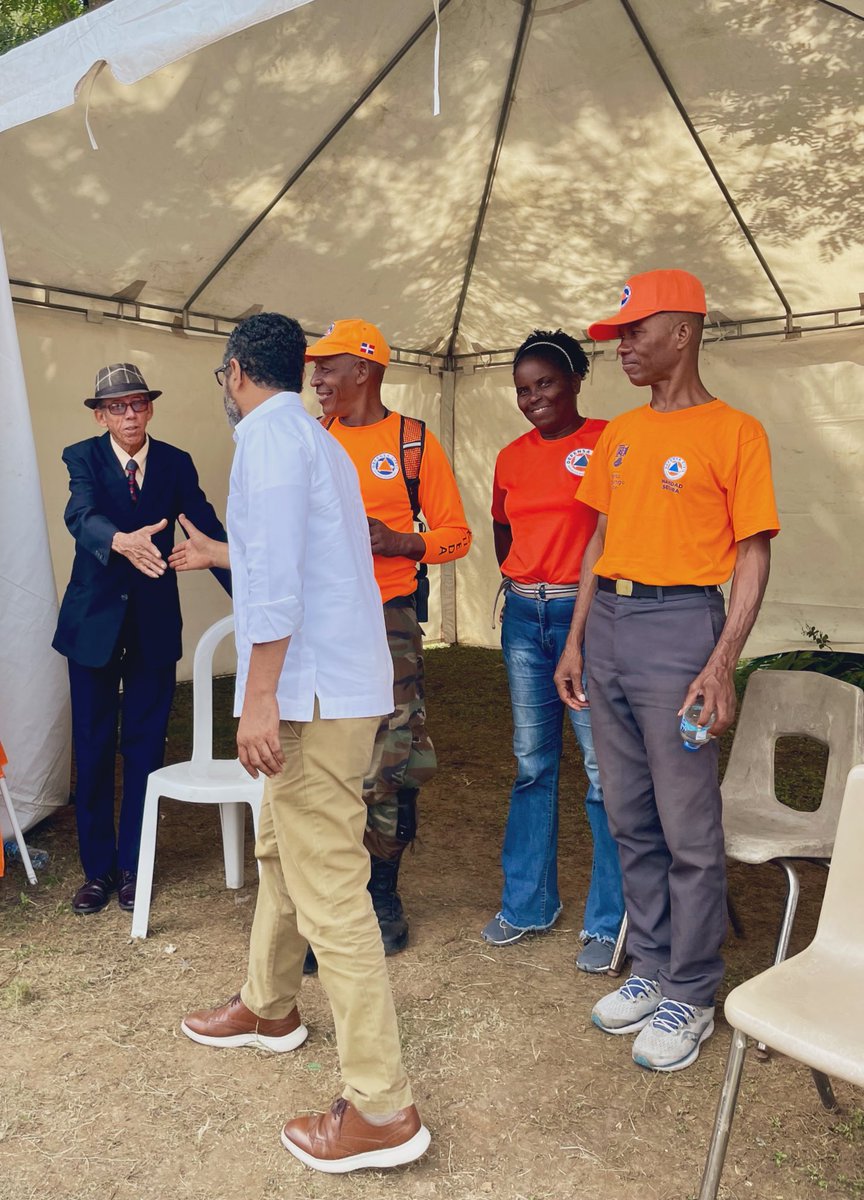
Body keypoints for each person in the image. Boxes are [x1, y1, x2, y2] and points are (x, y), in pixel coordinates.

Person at [179, 312, 430, 1174]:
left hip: (309, 699)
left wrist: (257, 701)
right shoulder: (313, 440)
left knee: (330, 892)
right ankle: (269, 1005)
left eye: (222, 375)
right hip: (332, 689)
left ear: (237, 370)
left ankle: (382, 1108)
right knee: (281, 848)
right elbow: (294, 562)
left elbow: (281, 586)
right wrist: (223, 553)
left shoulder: (269, 440)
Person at [554, 269, 779, 1072]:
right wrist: (576, 640)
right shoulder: (619, 433)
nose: (621, 347)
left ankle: (692, 987)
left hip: (682, 629)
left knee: (688, 826)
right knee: (629, 816)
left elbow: (752, 556)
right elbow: (598, 541)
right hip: (610, 627)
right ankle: (650, 964)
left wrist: (723, 663)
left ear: (682, 333)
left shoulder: (736, 432)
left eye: (634, 332)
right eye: (617, 335)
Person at [304, 318, 471, 957]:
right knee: (325, 758)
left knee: (394, 755)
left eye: (328, 366)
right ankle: (331, 902)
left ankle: (381, 893)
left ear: (365, 370)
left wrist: (402, 541)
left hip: (388, 620)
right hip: (323, 623)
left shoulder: (412, 442)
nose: (317, 378)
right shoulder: (313, 438)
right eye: (314, 367)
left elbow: (457, 535)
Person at [53, 363, 230, 915]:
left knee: (146, 747)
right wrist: (120, 541)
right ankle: (97, 871)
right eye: (117, 407)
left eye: (138, 404)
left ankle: (134, 866)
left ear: (150, 408)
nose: (129, 415)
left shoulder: (175, 462)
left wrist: (252, 593)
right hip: (92, 628)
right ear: (101, 416)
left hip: (153, 626)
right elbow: (80, 514)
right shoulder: (82, 457)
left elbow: (205, 529)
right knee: (93, 746)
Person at [482, 330, 624, 973]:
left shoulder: (608, 440)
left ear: (574, 382)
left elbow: (615, 532)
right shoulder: (511, 456)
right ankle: (529, 904)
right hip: (523, 615)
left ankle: (610, 920)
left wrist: (578, 605)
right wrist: (523, 580)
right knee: (532, 764)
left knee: (602, 770)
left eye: (545, 383)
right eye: (523, 389)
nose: (533, 397)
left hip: (585, 614)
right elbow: (502, 527)